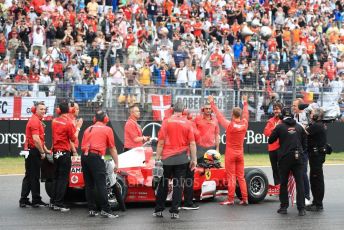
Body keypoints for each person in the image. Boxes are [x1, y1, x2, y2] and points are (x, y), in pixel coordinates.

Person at [153, 101, 197, 219]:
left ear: (173, 110)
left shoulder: (166, 121)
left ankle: (159, 210)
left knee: (163, 183)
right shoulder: (188, 123)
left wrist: (157, 159)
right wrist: (194, 160)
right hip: (182, 158)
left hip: (167, 158)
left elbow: (161, 142)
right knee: (178, 185)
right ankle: (174, 211)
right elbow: (192, 144)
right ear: (183, 111)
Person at [208, 94, 249, 206]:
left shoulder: (230, 125)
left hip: (231, 153)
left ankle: (230, 199)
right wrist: (245, 103)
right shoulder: (244, 123)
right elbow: (246, 114)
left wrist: (212, 103)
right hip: (240, 153)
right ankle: (245, 198)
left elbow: (219, 116)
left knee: (231, 177)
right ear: (239, 115)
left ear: (232, 114)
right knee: (241, 177)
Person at [268, 107, 307, 216]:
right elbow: (305, 144)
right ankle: (301, 209)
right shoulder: (299, 127)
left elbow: (270, 140)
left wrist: (276, 130)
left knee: (283, 183)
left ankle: (284, 207)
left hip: (284, 158)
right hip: (297, 157)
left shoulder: (280, 126)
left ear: (282, 117)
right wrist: (301, 153)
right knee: (300, 183)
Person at [81, 110, 119, 218]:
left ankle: (92, 209)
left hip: (84, 156)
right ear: (106, 119)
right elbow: (112, 149)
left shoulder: (88, 129)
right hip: (95, 157)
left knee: (89, 185)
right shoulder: (107, 129)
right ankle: (106, 210)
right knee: (101, 184)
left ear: (94, 119)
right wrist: (116, 163)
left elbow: (83, 145)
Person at [181, 103, 220, 210]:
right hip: (199, 148)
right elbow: (189, 127)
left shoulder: (215, 120)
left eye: (209, 109)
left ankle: (208, 192)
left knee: (209, 171)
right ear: (203, 109)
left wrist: (217, 149)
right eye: (206, 108)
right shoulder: (197, 119)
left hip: (211, 148)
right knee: (196, 171)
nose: (208, 110)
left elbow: (217, 135)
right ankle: (195, 192)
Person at [19, 101, 50, 208]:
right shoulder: (35, 121)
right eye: (41, 109)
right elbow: (36, 139)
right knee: (34, 176)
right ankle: (36, 200)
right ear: (35, 110)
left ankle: (24, 200)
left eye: (44, 109)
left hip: (31, 150)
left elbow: (40, 139)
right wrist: (42, 152)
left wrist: (45, 150)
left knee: (29, 176)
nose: (43, 111)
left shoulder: (37, 120)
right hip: (33, 151)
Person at [50, 101, 77, 212]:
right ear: (70, 111)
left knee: (56, 177)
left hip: (56, 151)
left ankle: (53, 201)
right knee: (63, 179)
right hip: (64, 152)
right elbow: (73, 138)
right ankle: (59, 203)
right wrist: (78, 127)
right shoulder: (69, 123)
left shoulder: (54, 121)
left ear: (59, 111)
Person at [305, 108, 327, 212]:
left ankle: (318, 204)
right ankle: (316, 202)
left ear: (317, 116)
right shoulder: (317, 125)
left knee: (316, 179)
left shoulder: (317, 126)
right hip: (315, 155)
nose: (310, 114)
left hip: (317, 156)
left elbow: (304, 132)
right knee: (314, 179)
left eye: (312, 113)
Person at [292, 98, 311, 205]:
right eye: (293, 106)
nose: (293, 108)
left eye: (295, 106)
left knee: (303, 173)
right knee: (297, 174)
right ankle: (300, 196)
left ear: (300, 106)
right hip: (296, 148)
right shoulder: (294, 116)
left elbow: (304, 130)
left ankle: (307, 197)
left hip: (304, 149)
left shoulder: (304, 115)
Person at [263, 102, 283, 185]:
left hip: (281, 147)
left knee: (282, 168)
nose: (276, 111)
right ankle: (277, 186)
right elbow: (266, 132)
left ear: (281, 110)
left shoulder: (284, 120)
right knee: (274, 169)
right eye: (274, 109)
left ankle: (283, 187)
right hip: (272, 148)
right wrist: (275, 128)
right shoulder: (270, 121)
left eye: (277, 109)